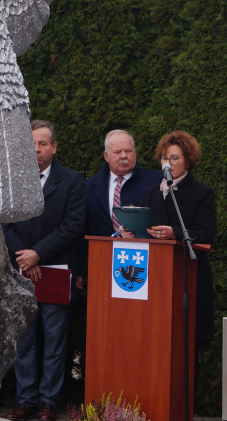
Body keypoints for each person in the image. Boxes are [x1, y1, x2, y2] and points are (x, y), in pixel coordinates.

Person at [2, 121, 85, 421]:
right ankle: (25, 400)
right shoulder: (13, 179)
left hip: (56, 269)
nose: (37, 149)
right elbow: (4, 222)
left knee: (54, 340)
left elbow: (74, 225)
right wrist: (25, 257)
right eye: (32, 144)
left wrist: (39, 254)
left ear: (54, 147)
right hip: (21, 269)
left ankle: (48, 402)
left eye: (43, 144)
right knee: (24, 340)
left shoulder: (72, 181)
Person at [131, 130, 216, 350]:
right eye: (165, 158)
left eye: (175, 158)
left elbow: (207, 234)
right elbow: (146, 230)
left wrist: (175, 233)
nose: (168, 164)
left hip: (186, 276)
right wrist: (131, 232)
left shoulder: (202, 193)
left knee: (183, 345)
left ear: (188, 162)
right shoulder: (150, 192)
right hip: (154, 279)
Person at [84, 130, 161, 237]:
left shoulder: (156, 181)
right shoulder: (89, 186)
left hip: (144, 251)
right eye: (117, 152)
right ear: (106, 156)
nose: (124, 156)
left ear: (135, 153)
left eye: (128, 151)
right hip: (102, 251)